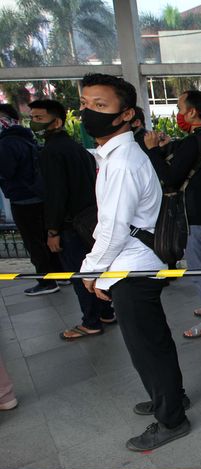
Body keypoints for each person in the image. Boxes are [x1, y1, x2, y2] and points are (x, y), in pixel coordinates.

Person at [78, 73, 190, 451]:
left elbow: (113, 228)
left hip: (133, 268)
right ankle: (171, 397)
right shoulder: (119, 155)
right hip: (139, 263)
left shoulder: (123, 160)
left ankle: (171, 419)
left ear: (125, 115)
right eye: (85, 103)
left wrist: (91, 272)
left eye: (100, 105)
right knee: (154, 340)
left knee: (147, 347)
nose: (87, 112)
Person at [28, 99, 117, 341]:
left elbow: (55, 194)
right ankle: (106, 312)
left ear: (56, 121)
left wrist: (53, 230)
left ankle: (91, 321)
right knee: (95, 270)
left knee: (79, 275)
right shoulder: (76, 147)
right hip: (89, 220)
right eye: (33, 118)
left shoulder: (51, 153)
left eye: (39, 118)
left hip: (70, 224)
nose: (34, 123)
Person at [145, 90, 201, 337]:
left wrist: (152, 151)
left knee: (199, 265)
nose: (178, 113)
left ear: (192, 112)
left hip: (195, 213)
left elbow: (170, 178)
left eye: (180, 108)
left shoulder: (194, 140)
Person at [0, 104, 62, 296]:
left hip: (23, 199)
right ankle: (60, 274)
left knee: (33, 242)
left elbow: (6, 171)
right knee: (44, 239)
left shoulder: (6, 143)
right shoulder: (26, 138)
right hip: (38, 196)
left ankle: (46, 281)